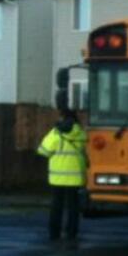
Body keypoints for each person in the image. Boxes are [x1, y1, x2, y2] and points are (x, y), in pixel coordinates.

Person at [36, 104, 88, 244]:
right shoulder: (81, 134)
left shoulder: (55, 134)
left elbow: (43, 151)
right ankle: (71, 233)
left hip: (57, 177)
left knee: (56, 206)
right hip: (76, 178)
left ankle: (54, 233)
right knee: (73, 207)